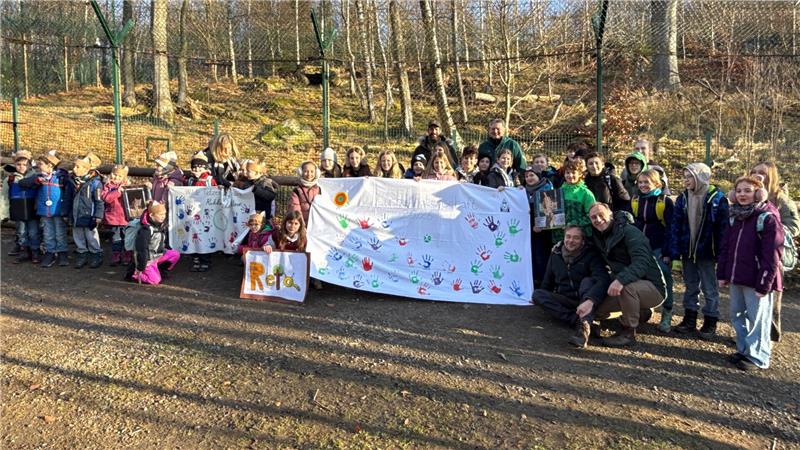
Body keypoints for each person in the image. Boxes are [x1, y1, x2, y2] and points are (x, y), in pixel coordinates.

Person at [717, 176, 784, 371]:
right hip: (737, 275)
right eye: (739, 191)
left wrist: (764, 283)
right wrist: (722, 273)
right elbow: (726, 247)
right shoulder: (734, 217)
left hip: (757, 279)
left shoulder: (767, 218)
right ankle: (744, 349)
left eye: (747, 190)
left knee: (758, 319)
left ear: (758, 193)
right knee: (737, 315)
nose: (742, 194)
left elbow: (772, 255)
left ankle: (758, 356)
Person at [584, 203, 667, 347]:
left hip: (653, 287)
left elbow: (642, 262)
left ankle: (628, 332)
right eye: (593, 217)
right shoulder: (597, 235)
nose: (598, 219)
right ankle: (640, 312)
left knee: (627, 287)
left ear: (611, 214)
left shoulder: (629, 232)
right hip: (626, 285)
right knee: (597, 310)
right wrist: (561, 246)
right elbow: (579, 240)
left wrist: (620, 280)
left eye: (601, 215)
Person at [671, 163, 729, 337]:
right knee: (690, 286)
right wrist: (675, 253)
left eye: (690, 176)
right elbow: (676, 226)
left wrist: (721, 254)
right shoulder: (683, 198)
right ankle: (690, 318)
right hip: (688, 250)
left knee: (709, 288)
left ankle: (710, 320)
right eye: (685, 177)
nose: (686, 180)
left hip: (707, 253)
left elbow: (723, 229)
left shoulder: (717, 199)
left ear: (701, 177)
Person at [532, 225, 611, 348]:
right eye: (568, 237)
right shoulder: (556, 254)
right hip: (566, 299)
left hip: (587, 299)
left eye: (576, 238)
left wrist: (591, 299)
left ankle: (583, 331)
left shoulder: (591, 254)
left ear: (582, 241)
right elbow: (547, 282)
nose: (571, 241)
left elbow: (603, 279)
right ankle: (577, 320)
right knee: (537, 294)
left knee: (587, 281)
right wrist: (541, 299)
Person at [750, 161, 799, 343]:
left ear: (771, 175)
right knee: (751, 298)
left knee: (771, 298)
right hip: (750, 254)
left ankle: (770, 336)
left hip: (773, 256)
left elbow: (794, 226)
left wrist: (772, 229)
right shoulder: (749, 195)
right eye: (754, 171)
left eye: (762, 172)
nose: (758, 175)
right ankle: (751, 334)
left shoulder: (781, 199)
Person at [631, 169, 675, 333]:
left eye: (646, 182)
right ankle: (644, 309)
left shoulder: (665, 202)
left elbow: (671, 229)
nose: (643, 185)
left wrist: (668, 252)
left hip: (659, 247)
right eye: (640, 182)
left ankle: (667, 312)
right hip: (640, 247)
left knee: (664, 277)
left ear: (657, 184)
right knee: (640, 276)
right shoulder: (635, 200)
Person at [19, 153, 71, 268]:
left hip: (58, 210)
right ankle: (50, 252)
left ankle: (62, 252)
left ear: (50, 165)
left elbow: (68, 193)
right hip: (44, 211)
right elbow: (22, 183)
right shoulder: (38, 176)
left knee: (60, 232)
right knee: (47, 233)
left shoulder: (61, 177)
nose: (39, 166)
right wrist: (36, 181)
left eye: (41, 164)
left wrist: (65, 210)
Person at [128, 201, 180, 285]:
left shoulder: (161, 226)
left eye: (164, 214)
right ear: (151, 215)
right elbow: (141, 249)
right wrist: (141, 266)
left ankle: (161, 270)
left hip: (158, 254)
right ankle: (136, 274)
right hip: (148, 259)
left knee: (175, 254)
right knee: (155, 280)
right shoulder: (146, 230)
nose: (163, 216)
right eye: (160, 214)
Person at [70, 153, 105, 269]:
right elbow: (68, 198)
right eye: (74, 166)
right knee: (78, 235)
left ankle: (96, 253)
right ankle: (82, 253)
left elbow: (99, 201)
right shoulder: (72, 181)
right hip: (75, 214)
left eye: (77, 167)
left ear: (86, 169)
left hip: (89, 215)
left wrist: (98, 215)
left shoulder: (95, 183)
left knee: (91, 236)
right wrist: (66, 212)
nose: (74, 169)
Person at [7, 151, 40, 264]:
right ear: (15, 165)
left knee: (33, 232)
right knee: (21, 232)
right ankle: (24, 251)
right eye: (18, 164)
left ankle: (35, 251)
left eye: (24, 164)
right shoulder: (11, 179)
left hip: (32, 209)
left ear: (29, 165)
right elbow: (5, 196)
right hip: (18, 209)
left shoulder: (35, 177)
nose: (21, 167)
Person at [524, 166, 554, 285]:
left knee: (541, 256)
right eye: (526, 176)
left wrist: (542, 224)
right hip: (529, 230)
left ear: (539, 176)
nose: (529, 178)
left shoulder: (547, 190)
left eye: (532, 175)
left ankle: (545, 282)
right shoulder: (524, 191)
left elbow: (551, 212)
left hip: (543, 232)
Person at [554, 158, 595, 242]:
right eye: (567, 173)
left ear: (580, 174)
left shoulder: (586, 193)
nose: (570, 175)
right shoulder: (558, 192)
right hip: (560, 235)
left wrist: (572, 224)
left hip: (579, 235)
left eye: (573, 172)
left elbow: (591, 215)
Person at [102, 164, 131, 266]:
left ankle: (127, 255)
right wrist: (117, 192)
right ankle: (116, 255)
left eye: (120, 176)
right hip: (113, 218)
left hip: (126, 218)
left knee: (127, 237)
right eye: (115, 174)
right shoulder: (107, 186)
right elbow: (106, 198)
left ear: (124, 177)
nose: (116, 177)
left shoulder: (127, 186)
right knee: (116, 238)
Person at [289, 160, 321, 225]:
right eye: (306, 171)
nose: (309, 174)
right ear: (301, 172)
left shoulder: (319, 189)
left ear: (316, 173)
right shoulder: (297, 191)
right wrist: (301, 224)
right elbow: (295, 209)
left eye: (312, 171)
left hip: (317, 224)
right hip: (303, 224)